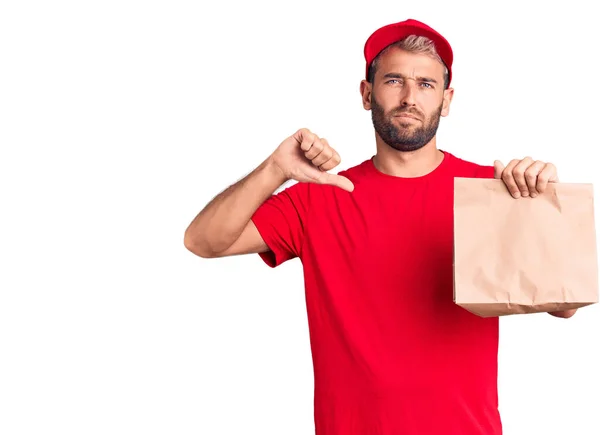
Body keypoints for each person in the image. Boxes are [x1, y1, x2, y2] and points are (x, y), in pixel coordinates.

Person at [184, 18, 576, 435]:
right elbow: (202, 241)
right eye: (394, 81)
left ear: (446, 100)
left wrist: (539, 207)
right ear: (367, 94)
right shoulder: (320, 195)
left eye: (426, 84)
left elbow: (565, 304)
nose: (410, 98)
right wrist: (275, 169)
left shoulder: (489, 193)